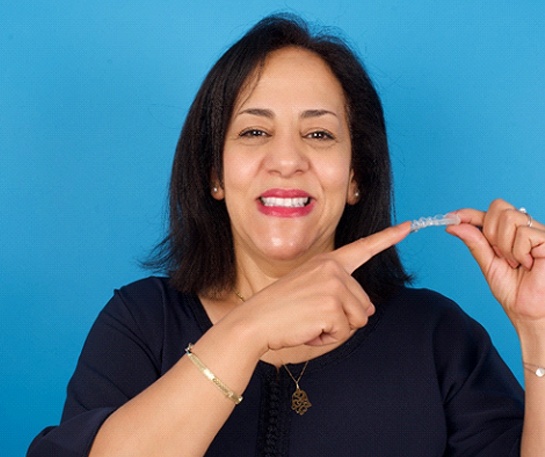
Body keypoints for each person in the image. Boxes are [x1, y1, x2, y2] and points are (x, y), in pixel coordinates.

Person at [28, 14, 545, 457]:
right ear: (214, 172)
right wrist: (248, 329)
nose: (286, 161)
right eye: (255, 131)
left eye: (318, 134)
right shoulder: (140, 323)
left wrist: (539, 333)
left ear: (355, 178)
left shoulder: (439, 338)